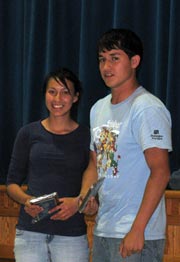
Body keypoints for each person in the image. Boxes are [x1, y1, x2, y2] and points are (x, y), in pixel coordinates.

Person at [80, 28, 172, 262]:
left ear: (134, 61)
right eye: (102, 59)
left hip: (137, 233)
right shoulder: (97, 108)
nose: (106, 66)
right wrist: (87, 196)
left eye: (114, 58)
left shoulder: (147, 108)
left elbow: (160, 172)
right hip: (104, 228)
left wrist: (138, 229)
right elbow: (95, 163)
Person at [6, 67, 90, 262]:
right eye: (52, 92)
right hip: (30, 234)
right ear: (45, 95)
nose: (57, 98)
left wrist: (79, 202)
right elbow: (11, 184)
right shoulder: (28, 133)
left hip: (71, 234)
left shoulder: (87, 136)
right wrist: (26, 201)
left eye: (65, 92)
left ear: (76, 97)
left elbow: (93, 181)